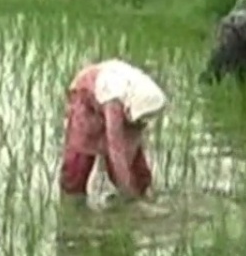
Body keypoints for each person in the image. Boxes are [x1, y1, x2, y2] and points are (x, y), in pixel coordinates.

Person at [59, 58, 168, 203]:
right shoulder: (114, 100)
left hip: (124, 101)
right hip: (89, 101)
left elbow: (131, 145)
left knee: (134, 165)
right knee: (79, 161)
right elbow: (115, 148)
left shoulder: (147, 97)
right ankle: (73, 207)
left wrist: (130, 186)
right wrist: (127, 193)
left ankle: (142, 194)